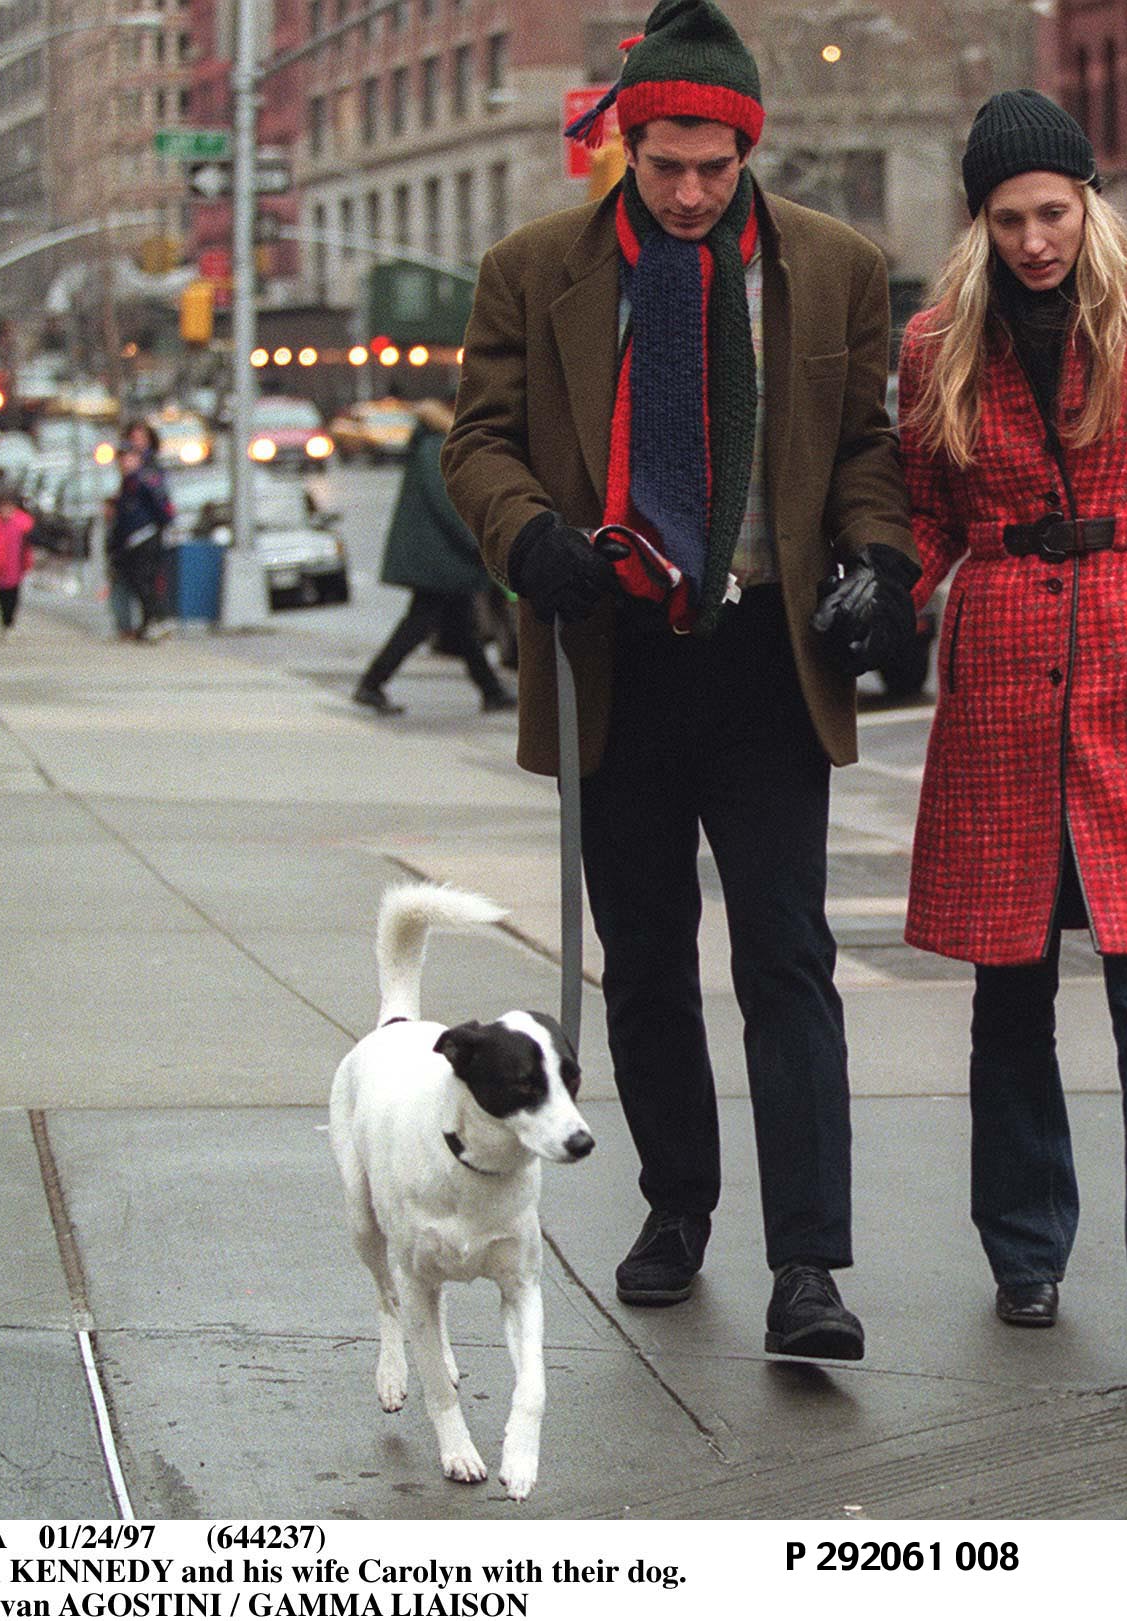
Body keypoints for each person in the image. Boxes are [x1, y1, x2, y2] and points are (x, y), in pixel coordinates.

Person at [444, 0, 917, 1363]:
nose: (695, 192)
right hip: (616, 663)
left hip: (771, 662)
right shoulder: (537, 270)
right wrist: (530, 532)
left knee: (789, 965)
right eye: (668, 167)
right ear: (626, 147)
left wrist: (878, 561)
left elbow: (870, 449)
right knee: (645, 966)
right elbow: (476, 440)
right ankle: (675, 1208)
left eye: (716, 166)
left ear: (747, 147)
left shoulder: (833, 266)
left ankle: (812, 1263)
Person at [897, 90, 1127, 1381]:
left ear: (1089, 199)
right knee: (1008, 991)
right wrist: (883, 591)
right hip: (1002, 681)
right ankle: (1026, 1254)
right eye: (1009, 220)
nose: (1036, 241)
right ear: (980, 222)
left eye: (1054, 212)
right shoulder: (940, 338)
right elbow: (929, 514)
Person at [353, 399, 515, 716]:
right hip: (438, 556)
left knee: (462, 625)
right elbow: (451, 505)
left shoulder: (430, 445)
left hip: (436, 554)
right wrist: (477, 543)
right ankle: (372, 683)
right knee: (421, 622)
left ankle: (491, 690)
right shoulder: (436, 448)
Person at [107, 428, 176, 642]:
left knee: (145, 582)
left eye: (129, 458)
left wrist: (161, 526)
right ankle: (148, 624)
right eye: (122, 459)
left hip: (145, 537)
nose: (125, 463)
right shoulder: (128, 482)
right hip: (131, 540)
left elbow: (161, 507)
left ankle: (157, 619)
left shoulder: (143, 480)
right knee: (138, 583)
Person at [0, 486, 34, 636]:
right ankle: (5, 622)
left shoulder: (22, 524)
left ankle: (10, 622)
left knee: (14, 595)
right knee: (2, 596)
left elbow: (28, 543)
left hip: (16, 566)